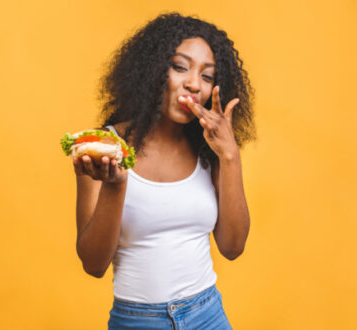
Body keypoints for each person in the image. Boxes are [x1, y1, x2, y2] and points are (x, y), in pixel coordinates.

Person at [72, 12, 256, 329]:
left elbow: (233, 247)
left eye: (208, 76)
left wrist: (230, 157)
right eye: (180, 66)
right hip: (136, 321)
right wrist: (116, 186)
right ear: (154, 70)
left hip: (208, 315)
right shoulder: (104, 147)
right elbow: (93, 263)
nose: (194, 84)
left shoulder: (208, 153)